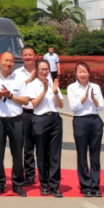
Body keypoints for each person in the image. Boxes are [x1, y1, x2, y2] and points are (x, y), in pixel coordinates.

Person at [0, 51, 30, 196]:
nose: (8, 63)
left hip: (15, 119)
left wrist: (10, 95)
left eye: (11, 61)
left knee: (17, 153)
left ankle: (17, 184)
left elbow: (25, 100)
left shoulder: (19, 79)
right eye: (6, 60)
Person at [26, 60, 64, 197]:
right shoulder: (32, 85)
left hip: (55, 119)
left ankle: (54, 185)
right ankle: (44, 184)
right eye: (41, 69)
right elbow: (35, 104)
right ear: (37, 70)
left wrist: (54, 92)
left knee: (55, 154)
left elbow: (60, 105)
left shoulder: (54, 84)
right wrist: (45, 90)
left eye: (46, 69)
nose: (44, 71)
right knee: (41, 153)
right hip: (40, 119)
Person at [68, 62, 104, 197]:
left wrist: (94, 99)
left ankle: (95, 185)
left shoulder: (96, 87)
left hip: (95, 121)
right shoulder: (72, 88)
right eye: (80, 71)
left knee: (95, 155)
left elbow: (101, 107)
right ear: (76, 74)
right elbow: (73, 107)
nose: (82, 74)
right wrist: (84, 98)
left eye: (85, 71)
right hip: (80, 121)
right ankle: (85, 185)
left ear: (89, 73)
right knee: (82, 154)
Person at [10, 46, 39, 187]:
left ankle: (45, 174)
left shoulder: (42, 71)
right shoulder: (16, 74)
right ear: (21, 57)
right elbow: (14, 91)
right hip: (24, 112)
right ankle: (29, 174)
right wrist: (30, 80)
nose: (27, 57)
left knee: (41, 145)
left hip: (40, 113)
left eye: (30, 55)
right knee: (27, 146)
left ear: (35, 57)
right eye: (25, 55)